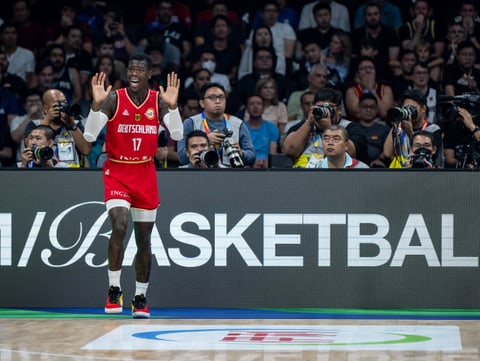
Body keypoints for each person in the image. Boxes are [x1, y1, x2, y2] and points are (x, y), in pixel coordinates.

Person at [82, 53, 184, 317]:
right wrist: (96, 105)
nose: (134, 73)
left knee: (144, 240)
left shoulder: (157, 101)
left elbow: (177, 134)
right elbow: (90, 135)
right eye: (131, 69)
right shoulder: (114, 98)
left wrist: (172, 107)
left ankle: (140, 297)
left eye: (140, 69)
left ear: (149, 74)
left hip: (145, 172)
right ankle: (113, 290)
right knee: (119, 223)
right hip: (117, 169)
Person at [283, 87, 368, 167]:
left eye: (329, 107)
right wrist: (309, 123)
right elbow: (290, 151)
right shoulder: (302, 126)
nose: (325, 111)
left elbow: (351, 153)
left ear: (339, 109)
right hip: (301, 177)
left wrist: (328, 128)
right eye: (320, 107)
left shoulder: (352, 128)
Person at [177, 82, 256, 167]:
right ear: (202, 103)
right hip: (201, 172)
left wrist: (241, 153)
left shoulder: (238, 123)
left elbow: (252, 156)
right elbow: (182, 157)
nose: (218, 101)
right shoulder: (190, 123)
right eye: (212, 97)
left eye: (221, 97)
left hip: (231, 173)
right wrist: (206, 142)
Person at [24, 88, 91, 168]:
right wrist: (47, 120)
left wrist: (72, 126)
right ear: (46, 109)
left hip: (72, 175)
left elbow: (86, 150)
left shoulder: (76, 124)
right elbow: (28, 146)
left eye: (64, 103)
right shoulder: (35, 125)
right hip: (44, 175)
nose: (62, 107)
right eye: (58, 104)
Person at [385, 89, 444, 168]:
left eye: (412, 108)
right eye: (406, 108)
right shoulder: (399, 128)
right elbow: (387, 153)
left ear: (423, 109)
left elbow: (438, 163)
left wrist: (410, 133)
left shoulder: (433, 129)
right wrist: (397, 122)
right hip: (402, 174)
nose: (409, 112)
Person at [344, 56, 395, 122]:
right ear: (357, 74)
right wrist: (366, 90)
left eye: (371, 68)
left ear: (375, 72)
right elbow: (357, 112)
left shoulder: (386, 89)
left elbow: (384, 112)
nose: (368, 71)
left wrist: (371, 90)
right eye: (363, 68)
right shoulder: (351, 91)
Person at [442, 100, 480, 168]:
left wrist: (472, 126)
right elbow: (449, 159)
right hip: (459, 169)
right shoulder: (451, 130)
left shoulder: (476, 127)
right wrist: (464, 165)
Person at [244, 95, 279, 168]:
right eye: (251, 104)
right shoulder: (241, 128)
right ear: (247, 108)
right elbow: (240, 151)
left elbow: (273, 153)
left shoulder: (271, 127)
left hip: (267, 166)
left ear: (263, 108)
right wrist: (251, 162)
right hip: (246, 165)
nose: (255, 106)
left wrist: (266, 163)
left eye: (259, 104)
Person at [356, 93, 390, 167]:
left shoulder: (384, 130)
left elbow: (388, 150)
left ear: (377, 109)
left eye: (372, 107)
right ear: (359, 108)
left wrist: (380, 160)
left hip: (377, 165)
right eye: (365, 106)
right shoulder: (352, 128)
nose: (368, 110)